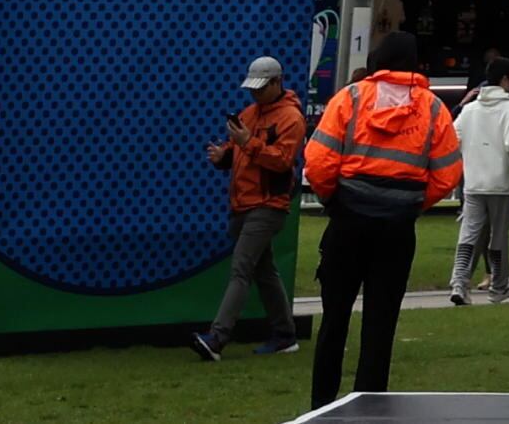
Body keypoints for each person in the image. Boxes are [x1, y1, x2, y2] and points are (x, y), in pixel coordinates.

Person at [296, 39, 455, 407]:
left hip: (348, 222)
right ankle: (370, 406)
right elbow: (446, 176)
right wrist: (411, 205)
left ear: (376, 61)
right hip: (397, 230)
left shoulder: (351, 98)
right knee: (381, 325)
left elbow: (318, 160)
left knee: (334, 319)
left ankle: (321, 404)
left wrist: (333, 199)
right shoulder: (432, 108)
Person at [187, 60, 302, 363]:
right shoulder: (249, 114)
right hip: (244, 204)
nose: (255, 95)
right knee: (264, 272)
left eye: (260, 89)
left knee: (241, 269)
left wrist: (246, 143)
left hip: (267, 205)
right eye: (253, 88)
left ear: (277, 83)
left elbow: (282, 161)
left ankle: (217, 338)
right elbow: (238, 152)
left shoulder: (291, 117)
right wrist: (223, 156)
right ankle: (285, 335)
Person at [442, 71, 509, 305]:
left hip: (474, 182)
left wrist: (470, 158)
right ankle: (498, 286)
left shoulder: (469, 110)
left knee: (468, 234)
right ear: (506, 80)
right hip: (500, 182)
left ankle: (459, 282)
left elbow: (452, 139)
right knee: (498, 236)